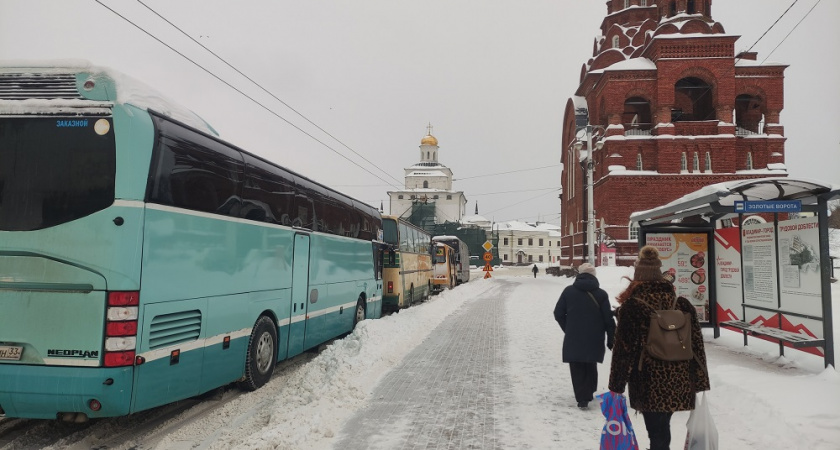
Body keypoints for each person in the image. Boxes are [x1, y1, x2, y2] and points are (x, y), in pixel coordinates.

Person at [608, 246, 710, 450]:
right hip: (680, 377)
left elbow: (623, 350)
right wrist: (699, 380)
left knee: (657, 431)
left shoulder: (633, 306)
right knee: (662, 426)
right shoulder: (682, 303)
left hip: (648, 379)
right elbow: (697, 345)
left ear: (638, 277)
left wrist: (616, 386)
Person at [553, 263, 616, 409]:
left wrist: (568, 328)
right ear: (594, 276)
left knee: (576, 365)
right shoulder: (601, 294)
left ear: (579, 275)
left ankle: (582, 397)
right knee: (590, 362)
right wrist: (611, 337)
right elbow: (608, 319)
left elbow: (558, 313)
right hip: (595, 336)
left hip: (574, 336)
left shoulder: (568, 291)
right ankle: (589, 391)